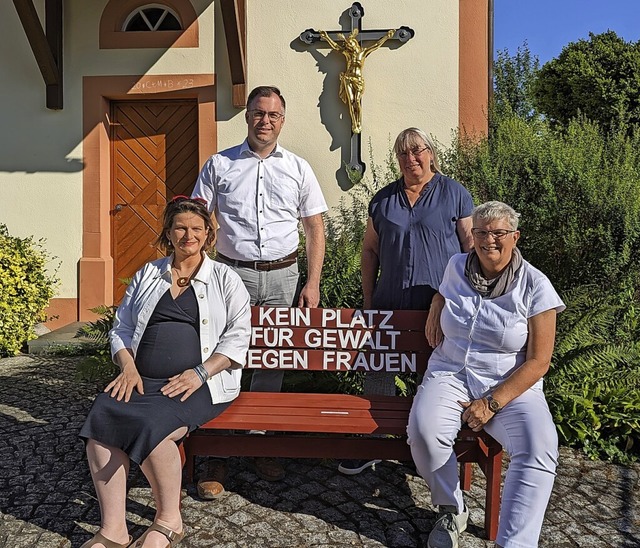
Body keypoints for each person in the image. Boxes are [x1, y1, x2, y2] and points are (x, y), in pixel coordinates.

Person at [78, 196, 251, 548]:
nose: (189, 235)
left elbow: (238, 336)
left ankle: (169, 520)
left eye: (197, 229)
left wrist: (200, 373)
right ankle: (114, 529)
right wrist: (127, 367)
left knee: (155, 426)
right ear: (169, 233)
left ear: (208, 235)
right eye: (181, 228)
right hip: (142, 379)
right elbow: (121, 328)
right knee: (103, 418)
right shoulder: (148, 273)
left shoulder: (224, 278)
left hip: (200, 383)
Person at [191, 85, 327, 495]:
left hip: (284, 276)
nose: (265, 120)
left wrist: (313, 282)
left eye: (273, 114)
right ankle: (218, 452)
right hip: (232, 276)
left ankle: (262, 440)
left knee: (272, 360)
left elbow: (315, 229)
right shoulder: (220, 165)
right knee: (224, 357)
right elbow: (197, 218)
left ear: (282, 120)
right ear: (247, 116)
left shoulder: (299, 168)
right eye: (258, 112)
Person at [408, 201, 565, 548]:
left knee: (539, 447)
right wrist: (437, 300)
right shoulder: (456, 266)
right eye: (480, 232)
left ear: (515, 236)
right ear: (472, 235)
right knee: (423, 434)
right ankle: (452, 505)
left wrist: (492, 403)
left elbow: (539, 361)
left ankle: (515, 544)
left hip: (511, 384)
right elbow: (446, 292)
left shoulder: (536, 285)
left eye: (498, 233)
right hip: (450, 371)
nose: (488, 240)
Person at [338, 127, 473, 476]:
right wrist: (369, 302)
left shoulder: (454, 194)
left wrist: (459, 297)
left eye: (418, 151)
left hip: (438, 307)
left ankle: (428, 449)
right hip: (389, 304)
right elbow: (370, 249)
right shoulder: (383, 200)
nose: (411, 159)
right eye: (403, 153)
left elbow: (470, 250)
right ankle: (373, 446)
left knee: (433, 378)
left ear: (431, 152)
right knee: (379, 375)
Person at [319, 29, 395, 134]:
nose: (350, 46)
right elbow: (336, 46)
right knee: (351, 101)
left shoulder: (363, 52)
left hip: (358, 80)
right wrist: (326, 37)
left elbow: (376, 45)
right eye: (348, 45)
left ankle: (358, 121)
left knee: (357, 100)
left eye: (351, 44)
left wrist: (387, 37)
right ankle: (355, 123)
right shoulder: (347, 54)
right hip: (348, 78)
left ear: (355, 43)